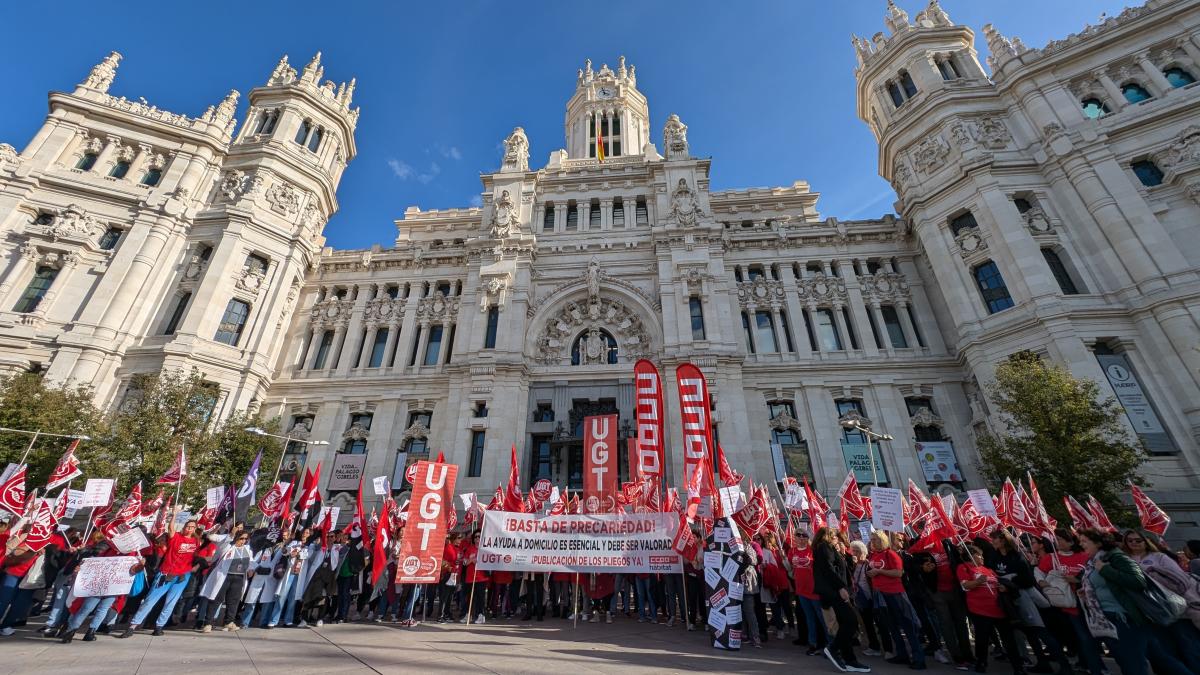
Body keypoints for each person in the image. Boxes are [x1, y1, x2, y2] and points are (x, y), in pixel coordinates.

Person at [1120, 529, 1200, 671]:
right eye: (1129, 540)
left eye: (1138, 540)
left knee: (1189, 647)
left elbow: (1181, 580)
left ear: (1146, 541)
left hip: (1176, 610)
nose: (1134, 543)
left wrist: (1154, 576)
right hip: (1150, 613)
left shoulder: (1159, 557)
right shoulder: (1124, 561)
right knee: (1167, 651)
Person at [121, 511, 200, 637]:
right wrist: (174, 515)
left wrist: (194, 567)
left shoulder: (196, 542)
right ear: (184, 527)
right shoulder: (176, 537)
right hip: (166, 574)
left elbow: (195, 557)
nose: (189, 529)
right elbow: (170, 528)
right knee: (150, 600)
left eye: (192, 527)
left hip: (182, 576)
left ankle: (159, 626)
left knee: (171, 602)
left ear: (195, 529)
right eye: (187, 526)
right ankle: (132, 626)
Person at [958, 543, 1023, 675]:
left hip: (999, 609)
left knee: (1009, 639)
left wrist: (1003, 588)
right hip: (980, 610)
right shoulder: (964, 567)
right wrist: (977, 582)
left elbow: (999, 584)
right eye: (979, 555)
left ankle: (1018, 667)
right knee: (982, 639)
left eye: (982, 556)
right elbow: (965, 586)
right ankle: (981, 663)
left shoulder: (989, 570)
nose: (982, 558)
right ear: (971, 556)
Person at [812, 526, 870, 672]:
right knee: (851, 621)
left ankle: (850, 659)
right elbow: (829, 570)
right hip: (834, 593)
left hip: (837, 591)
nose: (837, 538)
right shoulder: (824, 547)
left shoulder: (830, 549)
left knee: (846, 623)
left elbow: (840, 568)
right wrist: (840, 588)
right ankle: (833, 648)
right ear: (828, 536)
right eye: (835, 536)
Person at [867, 531, 926, 669]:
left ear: (882, 540)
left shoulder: (891, 554)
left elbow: (899, 573)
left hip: (895, 594)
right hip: (880, 594)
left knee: (907, 626)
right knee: (892, 626)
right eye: (872, 539)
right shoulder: (875, 554)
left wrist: (879, 572)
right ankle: (902, 654)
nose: (872, 542)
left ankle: (919, 659)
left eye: (875, 539)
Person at [198, 526, 253, 632]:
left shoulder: (248, 550)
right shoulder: (227, 547)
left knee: (233, 601)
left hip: (239, 577)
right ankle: (208, 623)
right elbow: (221, 539)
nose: (244, 541)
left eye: (246, 539)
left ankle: (229, 622)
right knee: (216, 599)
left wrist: (251, 569)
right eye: (242, 538)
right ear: (236, 538)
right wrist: (231, 535)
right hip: (225, 577)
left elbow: (252, 562)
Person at [789, 531, 827, 654]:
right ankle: (813, 643)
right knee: (809, 618)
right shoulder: (792, 551)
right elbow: (790, 568)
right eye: (798, 535)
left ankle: (830, 644)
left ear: (808, 538)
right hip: (801, 590)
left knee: (822, 618)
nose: (801, 538)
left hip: (814, 590)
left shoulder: (813, 550)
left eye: (804, 535)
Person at [240, 540, 282, 628]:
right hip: (258, 578)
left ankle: (263, 622)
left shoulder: (281, 552)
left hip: (271, 580)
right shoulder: (263, 550)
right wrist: (258, 568)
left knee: (267, 603)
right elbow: (253, 561)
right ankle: (245, 622)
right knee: (251, 602)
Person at [460, 531, 488, 624]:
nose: (477, 538)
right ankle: (469, 615)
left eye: (479, 536)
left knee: (480, 598)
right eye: (475, 537)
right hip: (470, 577)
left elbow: (488, 562)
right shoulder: (469, 549)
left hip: (481, 578)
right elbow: (464, 562)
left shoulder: (484, 549)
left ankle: (481, 615)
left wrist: (478, 561)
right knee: (469, 598)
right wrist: (471, 560)